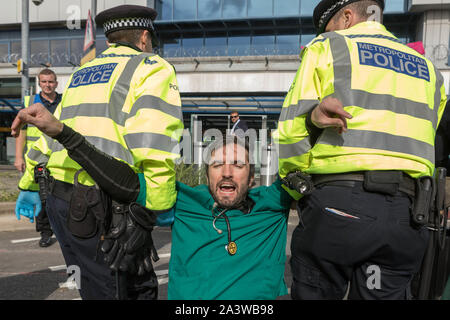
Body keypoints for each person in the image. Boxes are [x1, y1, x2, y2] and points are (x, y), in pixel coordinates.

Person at [276, 0, 447, 300]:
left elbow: (291, 137)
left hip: (339, 206)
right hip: (407, 217)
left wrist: (297, 192)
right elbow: (432, 140)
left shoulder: (328, 47)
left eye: (328, 27)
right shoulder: (429, 70)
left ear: (346, 16)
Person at [11, 4, 183, 300]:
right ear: (144, 38)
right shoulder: (150, 67)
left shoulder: (82, 73)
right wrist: (159, 204)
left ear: (109, 41)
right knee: (122, 290)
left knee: (94, 286)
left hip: (61, 201)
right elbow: (154, 141)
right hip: (108, 205)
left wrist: (27, 183)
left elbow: (49, 134)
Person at [157, 135, 292, 299]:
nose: (227, 173)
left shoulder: (274, 202)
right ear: (207, 177)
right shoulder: (182, 200)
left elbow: (304, 164)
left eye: (238, 164)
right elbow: (130, 182)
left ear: (251, 179)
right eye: (217, 164)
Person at [15, 68, 61, 248]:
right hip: (37, 158)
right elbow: (21, 133)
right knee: (41, 196)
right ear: (39, 83)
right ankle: (45, 232)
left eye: (50, 81)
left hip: (59, 156)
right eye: (44, 81)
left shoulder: (64, 101)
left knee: (62, 195)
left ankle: (62, 229)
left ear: (56, 83)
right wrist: (19, 157)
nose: (47, 85)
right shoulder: (29, 102)